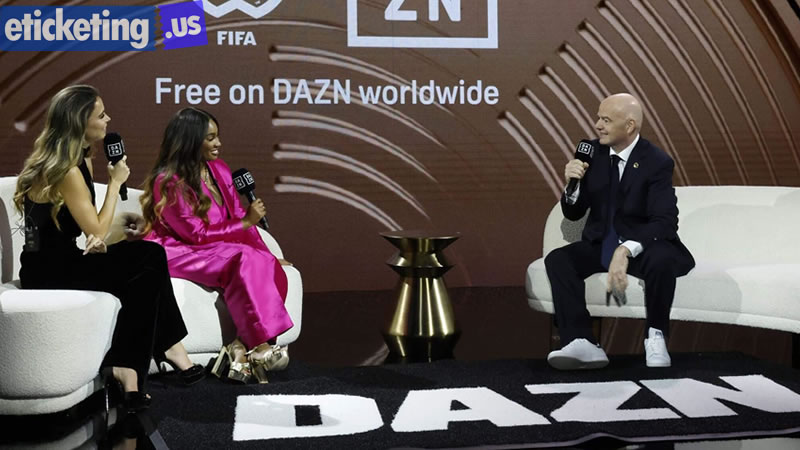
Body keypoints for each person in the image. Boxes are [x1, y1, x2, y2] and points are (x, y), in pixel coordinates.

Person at [13, 85, 204, 412]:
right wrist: (115, 183)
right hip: (47, 272)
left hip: (67, 259)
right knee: (148, 258)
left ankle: (142, 361)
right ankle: (154, 355)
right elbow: (95, 229)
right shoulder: (67, 170)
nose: (108, 119)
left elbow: (88, 228)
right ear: (80, 122)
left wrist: (119, 229)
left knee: (146, 260)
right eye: (101, 115)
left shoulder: (81, 160)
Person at [140, 107, 293, 384]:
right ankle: (260, 347)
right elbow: (195, 234)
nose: (218, 143)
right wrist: (245, 223)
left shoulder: (219, 169)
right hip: (178, 249)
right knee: (242, 258)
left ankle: (239, 347)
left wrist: (267, 252)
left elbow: (238, 216)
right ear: (191, 141)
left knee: (266, 263)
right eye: (210, 138)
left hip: (213, 246)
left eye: (217, 136)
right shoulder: (169, 181)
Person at [545, 93, 695, 370]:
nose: (597, 126)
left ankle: (656, 335)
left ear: (629, 126)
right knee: (559, 259)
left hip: (642, 246)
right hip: (601, 243)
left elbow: (665, 221)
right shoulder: (591, 153)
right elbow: (574, 213)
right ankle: (581, 340)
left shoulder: (656, 161)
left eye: (606, 120)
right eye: (598, 118)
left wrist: (626, 249)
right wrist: (572, 184)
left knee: (661, 259)